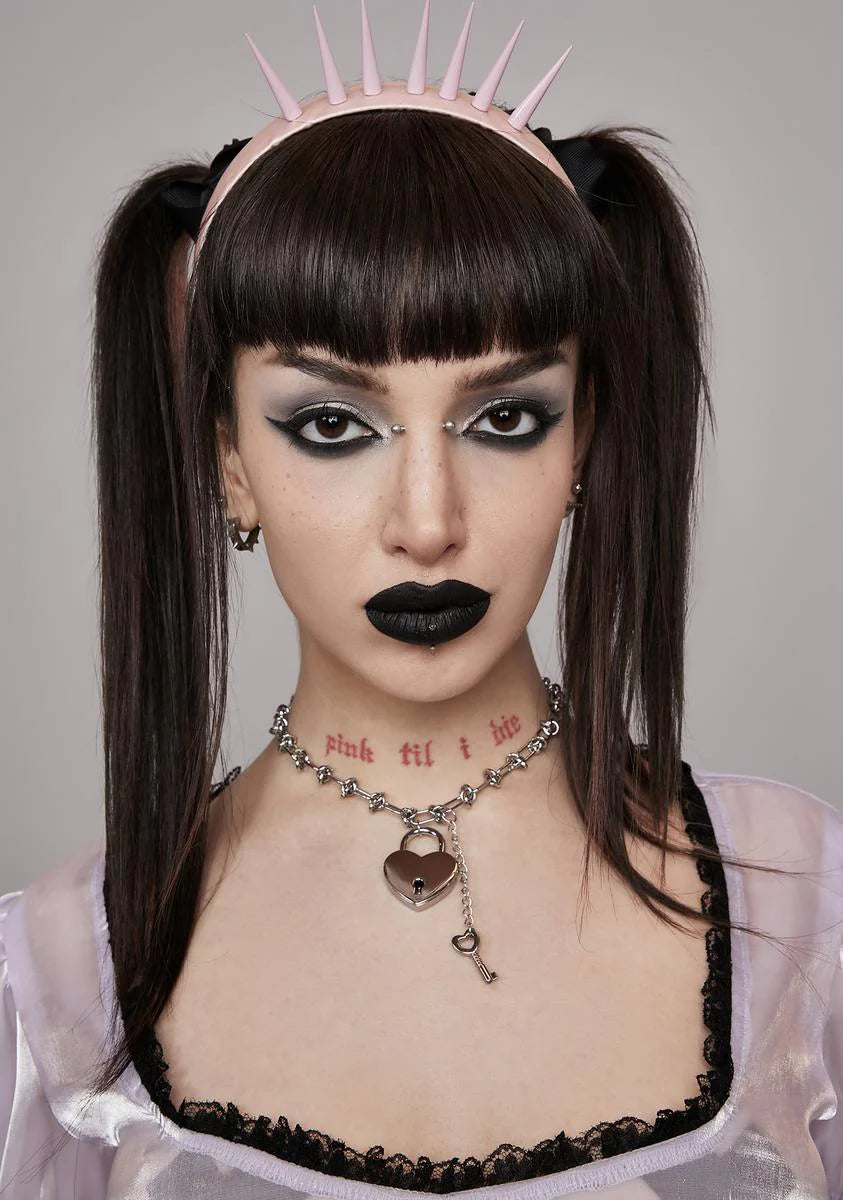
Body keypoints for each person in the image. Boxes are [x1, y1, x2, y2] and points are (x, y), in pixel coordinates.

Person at [1, 2, 841, 1196]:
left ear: (582, 440)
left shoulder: (807, 907)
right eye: (330, 425)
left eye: (506, 418)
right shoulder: (54, 989)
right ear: (230, 459)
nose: (429, 520)